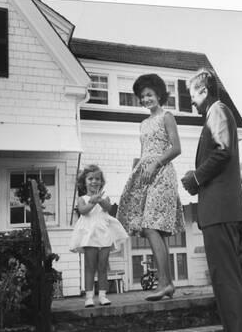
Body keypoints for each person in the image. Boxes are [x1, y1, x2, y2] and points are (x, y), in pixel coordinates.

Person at [181, 68, 242, 332]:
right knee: (224, 279)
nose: (192, 103)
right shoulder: (215, 114)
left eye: (193, 96)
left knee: (227, 280)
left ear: (205, 90)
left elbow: (223, 152)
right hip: (217, 211)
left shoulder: (218, 112)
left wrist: (196, 178)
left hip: (220, 211)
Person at [117, 74, 185, 301]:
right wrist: (136, 167)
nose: (146, 99)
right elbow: (144, 151)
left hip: (163, 174)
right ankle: (168, 284)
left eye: (149, 94)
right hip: (145, 176)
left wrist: (156, 162)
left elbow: (176, 148)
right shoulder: (143, 123)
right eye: (142, 96)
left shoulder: (167, 116)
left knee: (151, 227)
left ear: (158, 95)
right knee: (154, 229)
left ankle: (164, 284)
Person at [70, 164, 128, 307]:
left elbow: (108, 208)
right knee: (90, 266)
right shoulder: (82, 198)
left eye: (97, 179)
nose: (94, 181)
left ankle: (102, 295)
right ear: (84, 181)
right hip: (90, 236)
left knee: (103, 266)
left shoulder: (105, 197)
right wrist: (92, 201)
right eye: (90, 179)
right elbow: (83, 211)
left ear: (101, 182)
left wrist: (100, 200)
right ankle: (89, 297)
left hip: (104, 234)